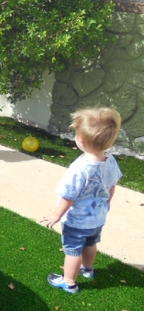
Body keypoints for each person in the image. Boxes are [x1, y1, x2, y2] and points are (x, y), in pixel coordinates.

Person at [39, 107, 122, 294]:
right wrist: (107, 202)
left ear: (81, 140)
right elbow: (112, 185)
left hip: (77, 221)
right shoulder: (110, 161)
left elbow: (69, 196)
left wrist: (56, 214)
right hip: (98, 217)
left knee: (73, 250)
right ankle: (88, 269)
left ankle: (69, 282)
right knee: (91, 243)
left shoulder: (79, 168)